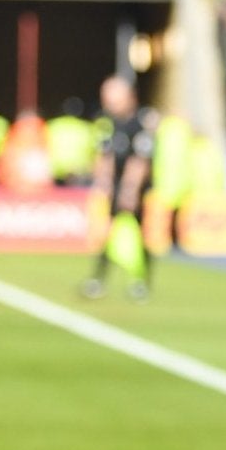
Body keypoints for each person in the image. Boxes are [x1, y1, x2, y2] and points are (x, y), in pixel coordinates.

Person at [80, 75, 158, 301]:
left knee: (139, 234)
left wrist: (130, 190)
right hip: (117, 184)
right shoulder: (109, 123)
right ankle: (98, 279)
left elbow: (140, 161)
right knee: (108, 232)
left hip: (136, 187)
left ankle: (141, 281)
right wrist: (103, 183)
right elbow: (104, 156)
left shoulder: (141, 122)